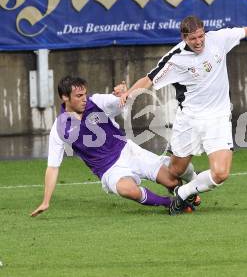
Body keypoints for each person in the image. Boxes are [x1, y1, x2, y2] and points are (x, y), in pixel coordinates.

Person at [119, 15, 247, 215]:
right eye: (193, 39)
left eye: (201, 36)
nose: (198, 42)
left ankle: (183, 193)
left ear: (204, 32)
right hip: (189, 120)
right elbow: (149, 79)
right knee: (174, 171)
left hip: (218, 118)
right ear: (184, 38)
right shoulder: (175, 59)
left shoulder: (218, 39)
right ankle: (187, 179)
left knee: (221, 173)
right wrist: (128, 93)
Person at [31, 76, 195, 217]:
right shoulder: (59, 128)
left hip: (128, 151)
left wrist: (124, 93)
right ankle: (169, 203)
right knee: (127, 189)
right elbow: (52, 167)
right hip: (108, 170)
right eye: (79, 96)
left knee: (172, 180)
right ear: (64, 97)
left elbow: (124, 100)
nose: (84, 99)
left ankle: (185, 180)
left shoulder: (96, 102)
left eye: (85, 94)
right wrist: (46, 201)